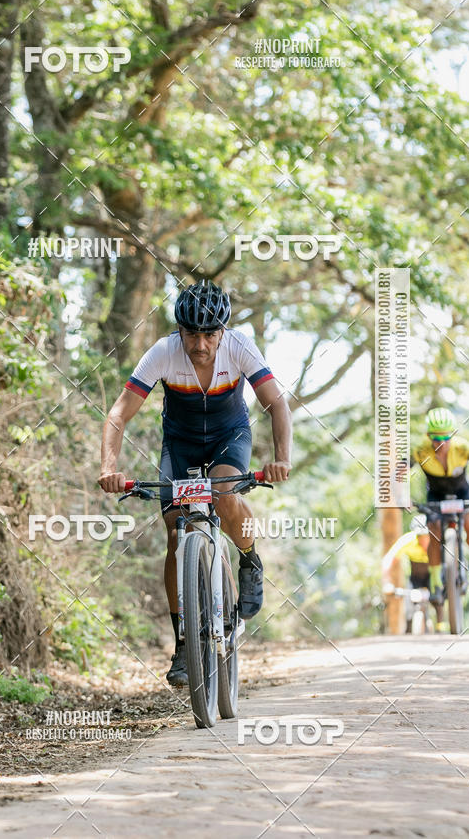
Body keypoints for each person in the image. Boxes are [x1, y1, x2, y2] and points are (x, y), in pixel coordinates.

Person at [98, 280, 292, 686]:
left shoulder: (239, 346)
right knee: (174, 533)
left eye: (209, 334)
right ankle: (185, 643)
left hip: (229, 437)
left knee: (223, 493)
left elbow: (276, 403)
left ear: (222, 331)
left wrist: (281, 459)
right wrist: (108, 468)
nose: (200, 344)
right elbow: (118, 415)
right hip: (181, 444)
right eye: (191, 334)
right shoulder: (163, 354)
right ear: (179, 331)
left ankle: (249, 557)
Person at [410, 407, 469, 605]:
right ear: (427, 435)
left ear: (453, 435)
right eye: (435, 438)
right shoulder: (419, 450)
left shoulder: (463, 448)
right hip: (436, 495)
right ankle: (436, 582)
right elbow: (398, 474)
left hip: (462, 492)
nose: (440, 443)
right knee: (433, 531)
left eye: (445, 438)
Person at [382, 515, 432, 631]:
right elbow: (388, 560)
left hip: (434, 577)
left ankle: (441, 629)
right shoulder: (408, 540)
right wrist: (387, 583)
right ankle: (409, 629)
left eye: (426, 536)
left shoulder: (438, 540)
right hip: (415, 578)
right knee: (409, 608)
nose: (424, 540)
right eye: (420, 536)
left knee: (438, 602)